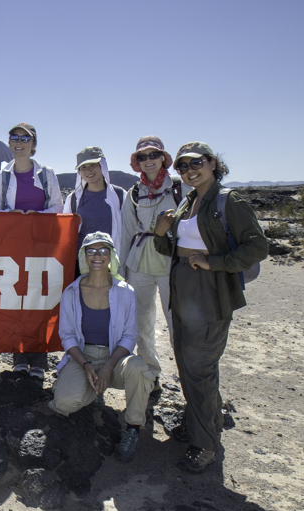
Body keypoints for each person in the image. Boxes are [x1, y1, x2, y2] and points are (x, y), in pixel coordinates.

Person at [154, 142, 267, 473]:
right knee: (187, 364)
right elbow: (172, 250)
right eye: (182, 166)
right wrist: (161, 234)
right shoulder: (188, 201)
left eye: (196, 163)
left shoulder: (228, 201)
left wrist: (214, 262)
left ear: (213, 163)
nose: (190, 170)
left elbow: (257, 247)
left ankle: (204, 444)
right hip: (183, 294)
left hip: (211, 294)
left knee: (200, 369)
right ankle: (202, 421)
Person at [49, 232, 155, 463]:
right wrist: (86, 365)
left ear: (111, 255)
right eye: (91, 250)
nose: (97, 255)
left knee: (138, 368)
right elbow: (66, 336)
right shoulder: (71, 292)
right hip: (83, 357)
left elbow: (129, 336)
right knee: (64, 403)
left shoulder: (126, 292)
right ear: (83, 256)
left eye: (103, 250)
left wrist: (108, 366)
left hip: (114, 359)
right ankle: (94, 389)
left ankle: (134, 427)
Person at [0, 123, 64, 379]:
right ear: (9, 143)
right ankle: (19, 355)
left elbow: (57, 208)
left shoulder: (47, 174)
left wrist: (37, 216)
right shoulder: (2, 177)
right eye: (14, 137)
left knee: (40, 299)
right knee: (16, 298)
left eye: (25, 138)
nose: (19, 141)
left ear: (33, 144)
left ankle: (40, 358)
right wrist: (12, 216)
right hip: (13, 249)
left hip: (42, 248)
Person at [119, 136, 189, 387]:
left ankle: (188, 379)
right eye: (142, 156)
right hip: (139, 264)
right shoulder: (134, 193)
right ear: (136, 162)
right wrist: (121, 269)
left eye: (153, 155)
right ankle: (150, 372)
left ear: (163, 158)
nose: (148, 160)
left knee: (177, 322)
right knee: (142, 322)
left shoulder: (181, 188)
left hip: (173, 262)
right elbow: (127, 231)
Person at [63, 147, 126, 271]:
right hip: (80, 264)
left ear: (102, 166)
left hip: (110, 262)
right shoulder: (73, 199)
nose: (89, 171)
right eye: (83, 168)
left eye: (93, 165)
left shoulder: (120, 195)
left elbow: (128, 229)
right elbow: (64, 233)